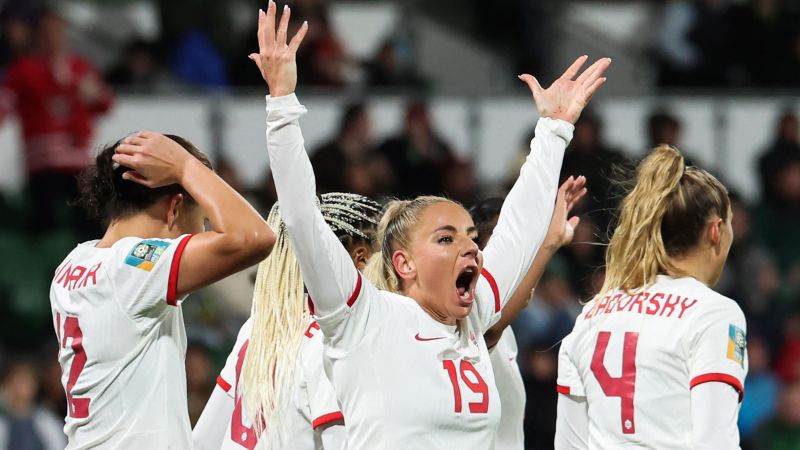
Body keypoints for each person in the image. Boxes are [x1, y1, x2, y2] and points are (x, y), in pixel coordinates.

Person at [249, 2, 609, 446]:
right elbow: (302, 216)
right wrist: (282, 102)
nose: (472, 248)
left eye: (472, 238)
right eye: (446, 237)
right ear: (403, 263)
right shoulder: (363, 319)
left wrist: (553, 130)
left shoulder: (474, 316)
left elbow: (519, 228)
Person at [50, 132, 275, 448]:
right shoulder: (134, 267)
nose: (204, 234)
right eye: (205, 222)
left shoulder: (73, 264)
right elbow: (255, 237)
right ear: (175, 207)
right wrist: (185, 166)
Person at [555, 145, 747, 449]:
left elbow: (568, 444)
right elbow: (715, 442)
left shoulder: (591, 313)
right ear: (716, 230)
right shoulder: (714, 314)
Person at [192, 192, 381, 449]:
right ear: (361, 258)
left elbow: (204, 438)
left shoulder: (259, 328)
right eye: (383, 257)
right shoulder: (333, 342)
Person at [468, 176, 586, 450]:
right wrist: (550, 244)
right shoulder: (468, 317)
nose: (518, 249)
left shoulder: (503, 322)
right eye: (504, 238)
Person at [0, 7, 113, 236]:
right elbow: (5, 104)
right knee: (46, 226)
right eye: (47, 32)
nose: (53, 37)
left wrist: (93, 94)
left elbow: (104, 103)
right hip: (43, 163)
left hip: (77, 160)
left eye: (58, 31)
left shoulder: (79, 67)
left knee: (89, 225)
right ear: (38, 35)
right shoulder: (24, 70)